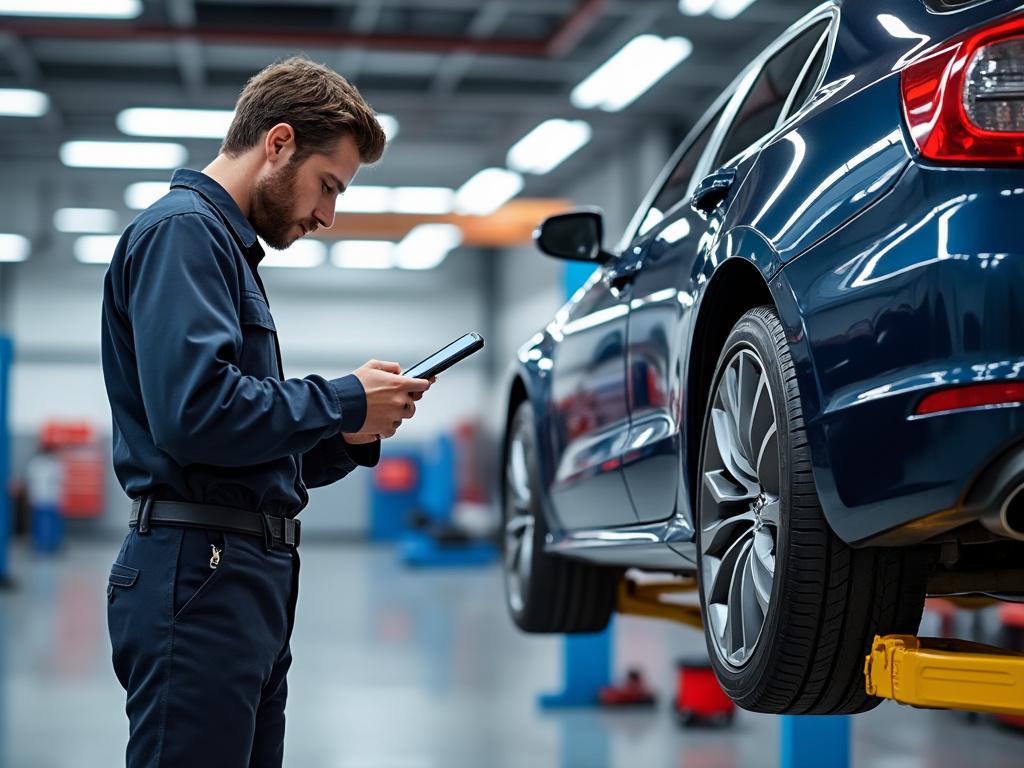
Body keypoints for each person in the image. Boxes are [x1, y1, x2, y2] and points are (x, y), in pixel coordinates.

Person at [100, 56, 431, 768]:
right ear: (278, 143)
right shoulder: (183, 233)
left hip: (241, 576)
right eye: (328, 186)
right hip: (199, 574)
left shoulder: (223, 249)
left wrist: (349, 430)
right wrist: (342, 395)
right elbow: (196, 415)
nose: (325, 215)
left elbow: (240, 440)